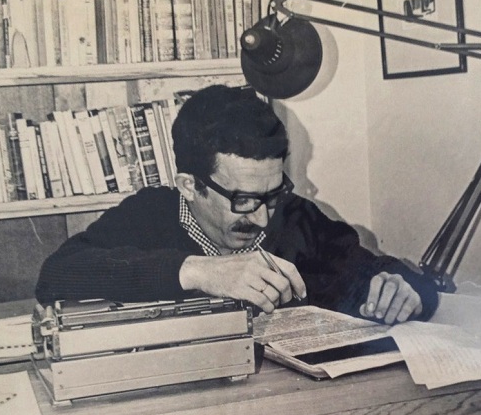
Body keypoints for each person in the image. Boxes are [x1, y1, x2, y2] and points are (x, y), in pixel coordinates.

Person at [35, 85, 439, 324]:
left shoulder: (296, 217)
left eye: (272, 194)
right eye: (243, 200)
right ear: (190, 186)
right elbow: (56, 275)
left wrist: (408, 290)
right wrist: (197, 271)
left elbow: (377, 271)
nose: (262, 218)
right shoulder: (148, 216)